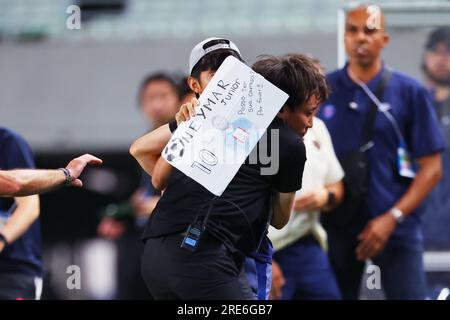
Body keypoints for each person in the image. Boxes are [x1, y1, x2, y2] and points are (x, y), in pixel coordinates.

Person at [131, 38, 328, 299]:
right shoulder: (288, 144)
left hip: (155, 254)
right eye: (308, 112)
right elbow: (280, 220)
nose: (311, 123)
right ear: (281, 107)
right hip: (203, 256)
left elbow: (147, 162)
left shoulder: (204, 120)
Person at [317, 5, 444, 300]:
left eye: (369, 30)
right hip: (338, 228)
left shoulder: (410, 93)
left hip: (397, 230)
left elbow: (432, 167)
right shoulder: (324, 91)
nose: (360, 38)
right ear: (344, 37)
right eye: (353, 30)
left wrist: (392, 217)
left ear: (384, 39)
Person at [97, 72, 184, 299]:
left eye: (163, 95)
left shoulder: (189, 137)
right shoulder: (144, 143)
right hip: (142, 239)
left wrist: (157, 204)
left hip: (178, 240)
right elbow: (143, 194)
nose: (156, 104)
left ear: (179, 98)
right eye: (149, 98)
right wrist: (122, 216)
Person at [0, 127, 100, 300]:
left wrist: (2, 238)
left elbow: (24, 197)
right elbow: (14, 184)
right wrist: (66, 174)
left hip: (13, 269)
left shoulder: (7, 141)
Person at [268, 116, 344, 300]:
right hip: (268, 249)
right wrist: (261, 260)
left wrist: (327, 197)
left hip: (307, 241)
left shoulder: (317, 127)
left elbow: (337, 184)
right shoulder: (261, 131)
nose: (310, 122)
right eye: (307, 111)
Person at [421, 27, 450, 249]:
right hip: (420, 225)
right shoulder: (412, 102)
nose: (442, 59)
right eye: (436, 51)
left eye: (448, 52)